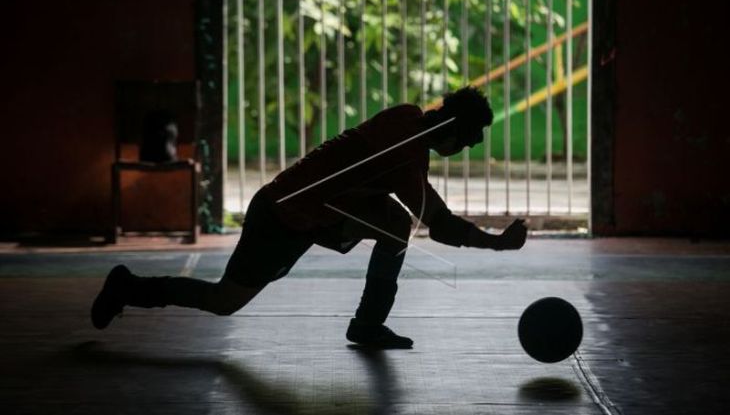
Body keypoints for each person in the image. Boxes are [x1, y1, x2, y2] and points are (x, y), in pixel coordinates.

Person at [91, 86, 527, 348]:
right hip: (283, 217)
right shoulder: (407, 158)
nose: (468, 149)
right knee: (225, 302)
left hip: (315, 211)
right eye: (469, 140)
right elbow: (442, 224)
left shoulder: (407, 117)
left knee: (395, 222)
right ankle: (128, 287)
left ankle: (367, 325)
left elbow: (409, 191)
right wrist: (497, 243)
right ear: (450, 130)